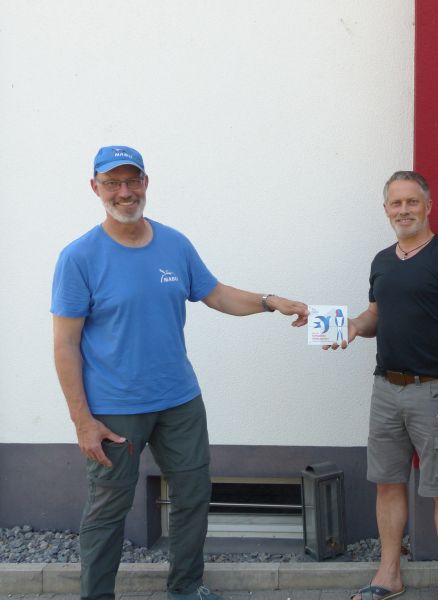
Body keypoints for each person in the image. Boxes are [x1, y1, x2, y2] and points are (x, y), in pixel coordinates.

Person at [51, 146, 308, 600]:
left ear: (146, 182)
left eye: (133, 181)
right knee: (108, 509)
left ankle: (186, 587)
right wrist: (82, 421)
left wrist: (271, 302)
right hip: (114, 409)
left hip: (179, 402)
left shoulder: (174, 243)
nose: (124, 192)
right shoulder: (79, 258)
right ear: (96, 189)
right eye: (112, 183)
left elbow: (216, 294)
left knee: (192, 497)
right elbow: (65, 345)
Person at [326, 171, 438, 600]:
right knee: (388, 483)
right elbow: (377, 314)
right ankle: (388, 576)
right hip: (386, 390)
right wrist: (355, 326)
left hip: (435, 391)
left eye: (412, 202)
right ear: (386, 210)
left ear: (428, 206)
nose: (404, 210)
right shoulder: (382, 260)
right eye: (396, 204)